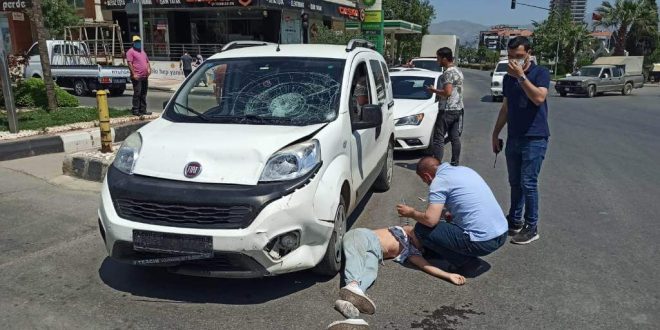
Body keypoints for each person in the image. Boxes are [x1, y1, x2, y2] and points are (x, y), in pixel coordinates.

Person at [327, 225, 465, 329]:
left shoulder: (413, 251)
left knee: (370, 273)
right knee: (356, 257)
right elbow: (414, 230)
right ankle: (352, 284)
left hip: (376, 253)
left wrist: (448, 275)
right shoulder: (406, 231)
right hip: (364, 236)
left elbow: (425, 266)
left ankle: (348, 306)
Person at [396, 157, 508, 274]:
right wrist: (450, 214)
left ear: (427, 176)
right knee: (444, 222)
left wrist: (411, 213)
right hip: (502, 232)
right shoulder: (464, 170)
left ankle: (466, 263)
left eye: (425, 181)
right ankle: (447, 250)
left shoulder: (439, 182)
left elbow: (430, 220)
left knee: (421, 228)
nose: (427, 183)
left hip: (483, 242)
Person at [491, 36, 550, 245]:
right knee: (515, 183)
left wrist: (522, 77)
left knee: (528, 183)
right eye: (510, 56)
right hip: (514, 136)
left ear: (529, 53)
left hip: (535, 137)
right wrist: (495, 133)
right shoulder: (508, 78)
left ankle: (531, 226)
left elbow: (539, 98)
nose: (514, 61)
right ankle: (514, 220)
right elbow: (506, 108)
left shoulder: (540, 73)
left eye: (519, 56)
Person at [426, 47, 465, 166]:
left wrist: (434, 90)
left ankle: (436, 165)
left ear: (444, 58)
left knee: (438, 139)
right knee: (454, 138)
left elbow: (447, 92)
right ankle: (455, 163)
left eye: (438, 58)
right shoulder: (458, 71)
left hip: (447, 110)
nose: (437, 60)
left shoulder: (448, 73)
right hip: (458, 109)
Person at [126, 36, 151, 116]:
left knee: (144, 93)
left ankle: (143, 109)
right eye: (136, 41)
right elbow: (129, 63)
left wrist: (149, 69)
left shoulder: (142, 52)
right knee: (137, 93)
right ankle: (136, 110)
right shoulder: (130, 52)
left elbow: (147, 62)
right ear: (133, 42)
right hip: (137, 76)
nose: (138, 43)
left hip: (144, 76)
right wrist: (133, 74)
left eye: (139, 41)